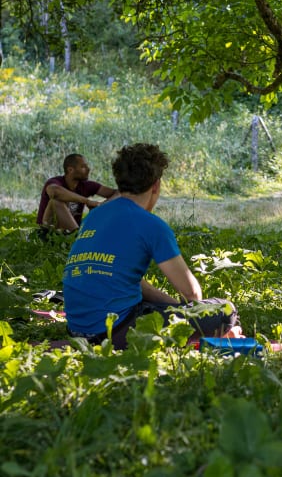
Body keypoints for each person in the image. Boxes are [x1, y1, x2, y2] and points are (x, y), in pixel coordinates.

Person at [63, 143, 241, 349]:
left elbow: (128, 281)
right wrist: (182, 309)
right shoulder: (152, 225)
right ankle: (228, 333)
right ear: (156, 185)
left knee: (149, 305)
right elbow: (192, 295)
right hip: (119, 332)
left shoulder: (93, 217)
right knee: (226, 310)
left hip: (78, 333)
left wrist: (172, 306)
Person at [37, 153, 117, 233]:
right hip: (48, 233)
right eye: (83, 167)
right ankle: (77, 236)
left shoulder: (86, 185)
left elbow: (119, 192)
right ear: (70, 170)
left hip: (69, 232)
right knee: (55, 202)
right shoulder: (55, 182)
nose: (88, 169)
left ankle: (77, 235)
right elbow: (54, 191)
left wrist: (101, 205)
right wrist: (87, 201)